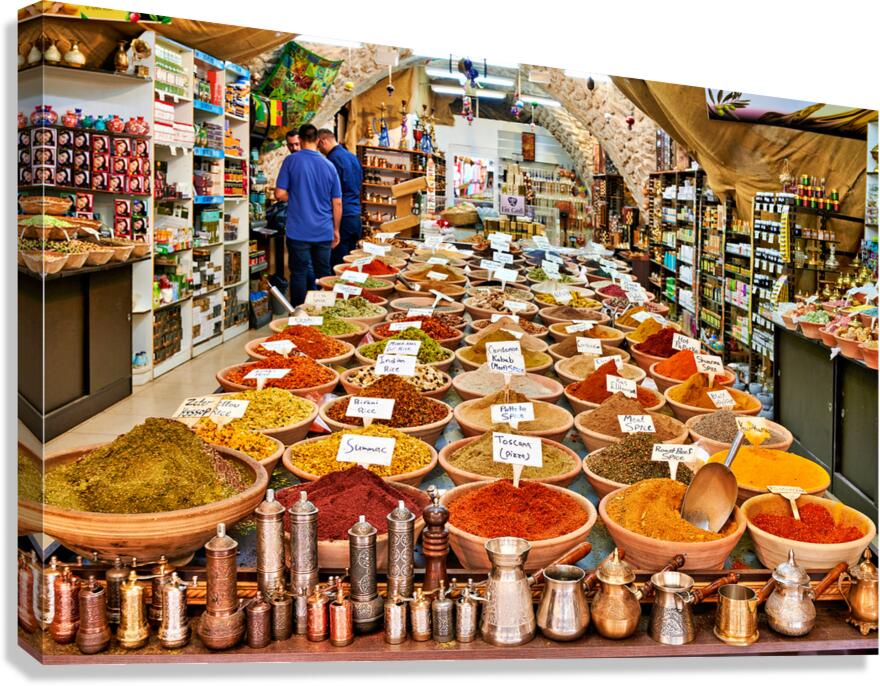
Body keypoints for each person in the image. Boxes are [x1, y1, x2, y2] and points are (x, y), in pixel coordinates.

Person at [274, 123, 341, 306]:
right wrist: (336, 230)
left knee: (299, 272)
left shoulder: (291, 161)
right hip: (323, 229)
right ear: (318, 141)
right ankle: (324, 312)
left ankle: (299, 314)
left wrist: (296, 197)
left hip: (298, 230)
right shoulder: (329, 166)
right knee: (323, 273)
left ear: (301, 140)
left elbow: (279, 194)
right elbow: (337, 202)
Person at [317, 129, 364, 266]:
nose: (320, 150)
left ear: (323, 142)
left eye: (319, 147)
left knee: (337, 265)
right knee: (350, 264)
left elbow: (332, 195)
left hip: (342, 216)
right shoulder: (352, 157)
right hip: (355, 216)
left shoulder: (332, 160)